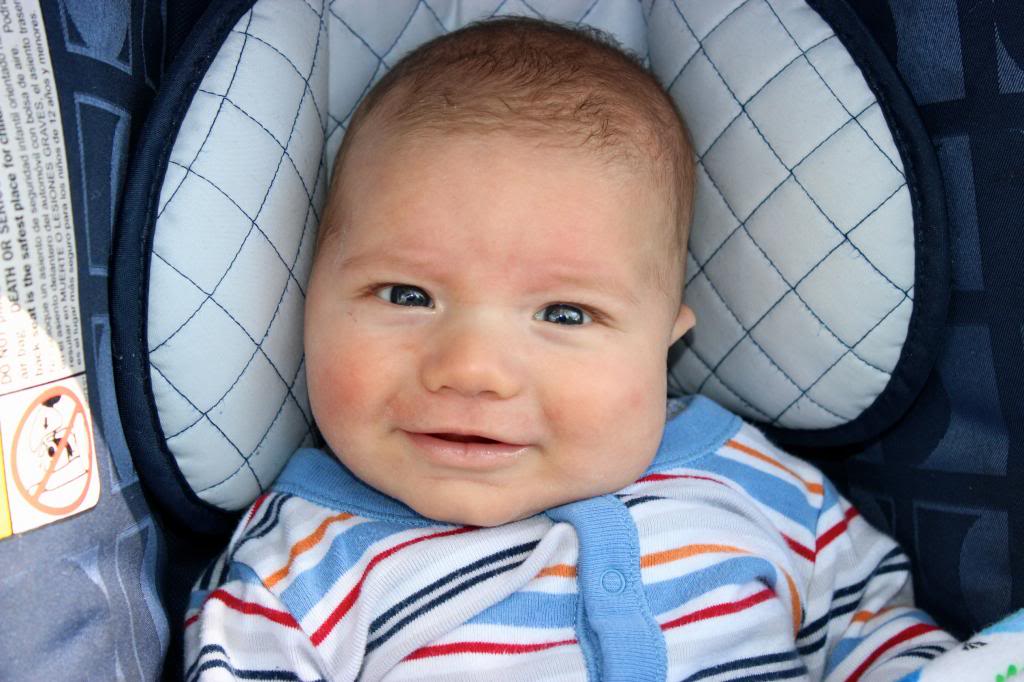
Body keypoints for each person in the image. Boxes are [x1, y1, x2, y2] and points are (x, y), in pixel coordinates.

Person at [183, 17, 1023, 681]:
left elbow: (872, 628)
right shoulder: (297, 568)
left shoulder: (758, 487)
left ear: (663, 347)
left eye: (565, 313)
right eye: (406, 295)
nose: (471, 369)